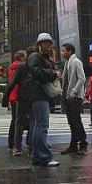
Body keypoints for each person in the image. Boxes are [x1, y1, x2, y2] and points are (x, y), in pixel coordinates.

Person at [25, 33, 60, 167]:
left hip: (38, 94)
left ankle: (37, 156)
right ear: (40, 44)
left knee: (38, 126)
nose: (48, 45)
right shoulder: (36, 56)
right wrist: (53, 73)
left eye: (50, 43)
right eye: (46, 43)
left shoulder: (41, 57)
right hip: (38, 94)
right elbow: (36, 73)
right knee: (42, 125)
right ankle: (44, 156)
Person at [3, 46, 36, 156]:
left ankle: (15, 146)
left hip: (17, 96)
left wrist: (6, 97)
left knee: (17, 121)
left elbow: (11, 83)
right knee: (31, 121)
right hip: (26, 97)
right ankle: (30, 146)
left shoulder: (13, 67)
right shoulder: (25, 66)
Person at [60, 42, 87, 155]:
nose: (62, 53)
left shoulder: (76, 62)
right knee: (72, 122)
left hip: (74, 97)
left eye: (63, 50)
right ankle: (73, 145)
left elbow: (82, 78)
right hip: (68, 96)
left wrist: (73, 92)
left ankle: (83, 143)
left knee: (76, 122)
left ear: (69, 51)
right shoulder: (67, 63)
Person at [5, 50, 26, 154]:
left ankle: (11, 144)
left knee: (15, 120)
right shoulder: (21, 67)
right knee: (19, 121)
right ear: (22, 58)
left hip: (12, 96)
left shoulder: (11, 67)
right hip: (20, 95)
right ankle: (17, 144)